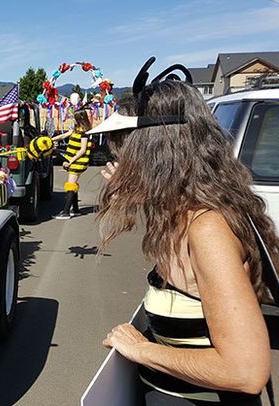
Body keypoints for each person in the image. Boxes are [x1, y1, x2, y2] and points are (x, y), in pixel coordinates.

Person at [95, 78, 276, 404]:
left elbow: (245, 371)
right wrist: (138, 195)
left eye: (125, 152)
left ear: (155, 155)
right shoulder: (185, 213)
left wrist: (141, 350)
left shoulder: (207, 230)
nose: (119, 164)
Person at [50, 107, 92, 219]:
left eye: (74, 118)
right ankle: (76, 209)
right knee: (73, 184)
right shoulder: (76, 130)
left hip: (78, 162)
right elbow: (64, 135)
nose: (72, 119)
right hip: (74, 161)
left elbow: (82, 150)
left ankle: (66, 212)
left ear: (80, 119)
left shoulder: (84, 133)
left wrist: (70, 161)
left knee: (70, 185)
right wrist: (51, 140)